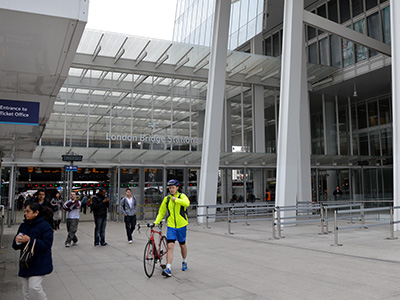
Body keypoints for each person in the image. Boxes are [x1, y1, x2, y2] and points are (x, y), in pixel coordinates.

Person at [12, 202, 53, 300]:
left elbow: (46, 244)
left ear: (36, 213)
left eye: (28, 211)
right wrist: (17, 241)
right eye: (25, 211)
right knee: (26, 291)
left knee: (34, 287)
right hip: (25, 262)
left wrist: (29, 240)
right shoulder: (23, 226)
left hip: (39, 262)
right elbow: (15, 246)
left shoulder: (45, 226)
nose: (25, 213)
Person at [154, 179, 190, 277]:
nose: (171, 190)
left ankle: (184, 261)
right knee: (170, 246)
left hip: (182, 225)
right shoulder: (167, 199)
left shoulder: (182, 196)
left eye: (173, 188)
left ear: (177, 188)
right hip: (171, 226)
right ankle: (168, 268)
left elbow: (187, 203)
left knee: (182, 245)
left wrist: (176, 200)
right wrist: (156, 222)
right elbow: (161, 212)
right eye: (170, 188)